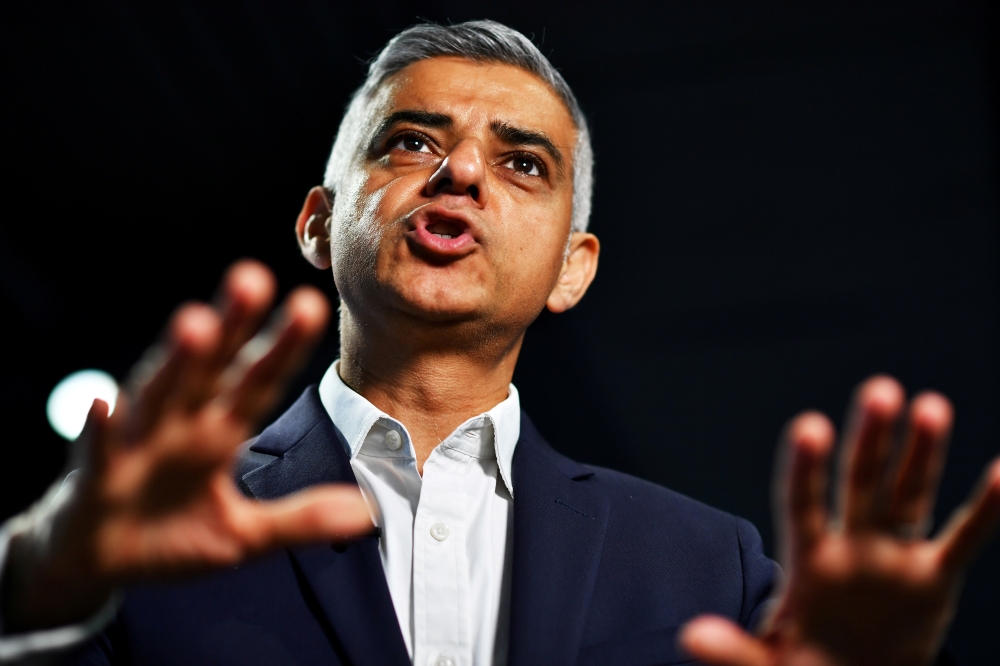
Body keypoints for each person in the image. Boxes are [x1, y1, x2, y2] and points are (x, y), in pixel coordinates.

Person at [1, 20, 998, 666]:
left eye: (523, 163)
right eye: (410, 142)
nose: (461, 173)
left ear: (573, 268)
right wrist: (36, 579)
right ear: (317, 222)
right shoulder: (130, 541)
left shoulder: (714, 566)